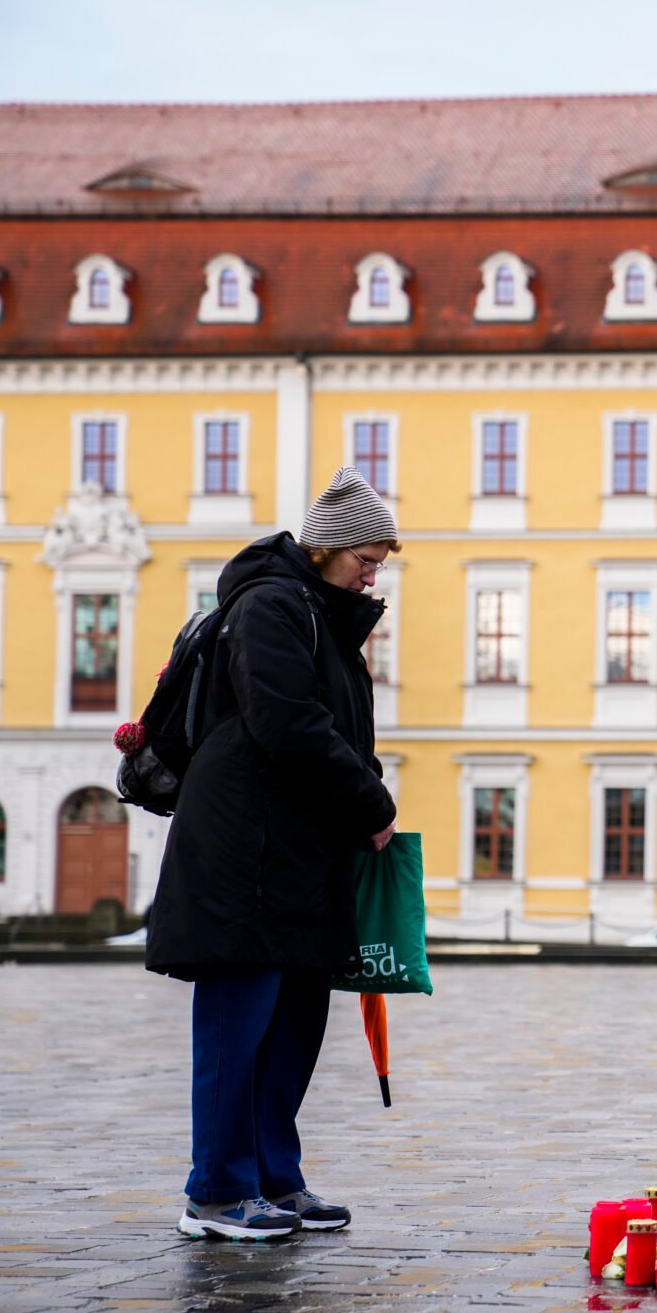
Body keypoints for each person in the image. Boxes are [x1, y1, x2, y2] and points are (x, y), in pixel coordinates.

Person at [146, 467, 400, 1240]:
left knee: (291, 1028)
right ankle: (217, 1192)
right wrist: (370, 801)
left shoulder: (323, 618)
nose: (373, 570)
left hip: (295, 855)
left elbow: (337, 734)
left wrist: (360, 795)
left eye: (381, 559)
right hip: (241, 855)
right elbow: (287, 722)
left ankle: (275, 1181)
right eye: (366, 554)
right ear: (324, 546)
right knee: (238, 1025)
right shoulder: (270, 605)